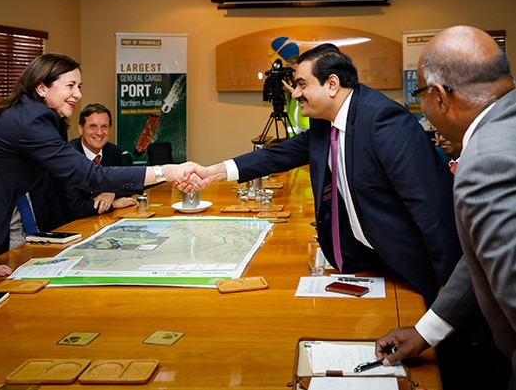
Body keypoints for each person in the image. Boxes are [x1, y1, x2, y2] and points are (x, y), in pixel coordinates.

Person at [0, 53, 205, 311]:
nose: (78, 94)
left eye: (80, 86)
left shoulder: (34, 116)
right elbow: (86, 175)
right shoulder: (30, 119)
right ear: (41, 88)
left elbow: (1, 186)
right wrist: (165, 171)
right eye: (70, 86)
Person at [192, 43, 461, 307]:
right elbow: (277, 155)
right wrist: (213, 172)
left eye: (301, 84)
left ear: (332, 84)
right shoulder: (325, 124)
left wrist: (449, 292)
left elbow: (430, 208)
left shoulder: (383, 120)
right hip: (370, 263)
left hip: (415, 270)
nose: (295, 94)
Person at [375, 26, 516, 389]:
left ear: (439, 96)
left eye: (419, 93)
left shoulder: (485, 162)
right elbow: (486, 258)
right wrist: (425, 332)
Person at [30, 103, 137, 232]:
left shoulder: (113, 151)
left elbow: (127, 185)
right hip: (68, 228)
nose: (99, 132)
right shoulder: (67, 157)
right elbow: (75, 209)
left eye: (104, 127)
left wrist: (110, 193)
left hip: (100, 221)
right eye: (93, 127)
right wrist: (113, 204)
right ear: (81, 129)